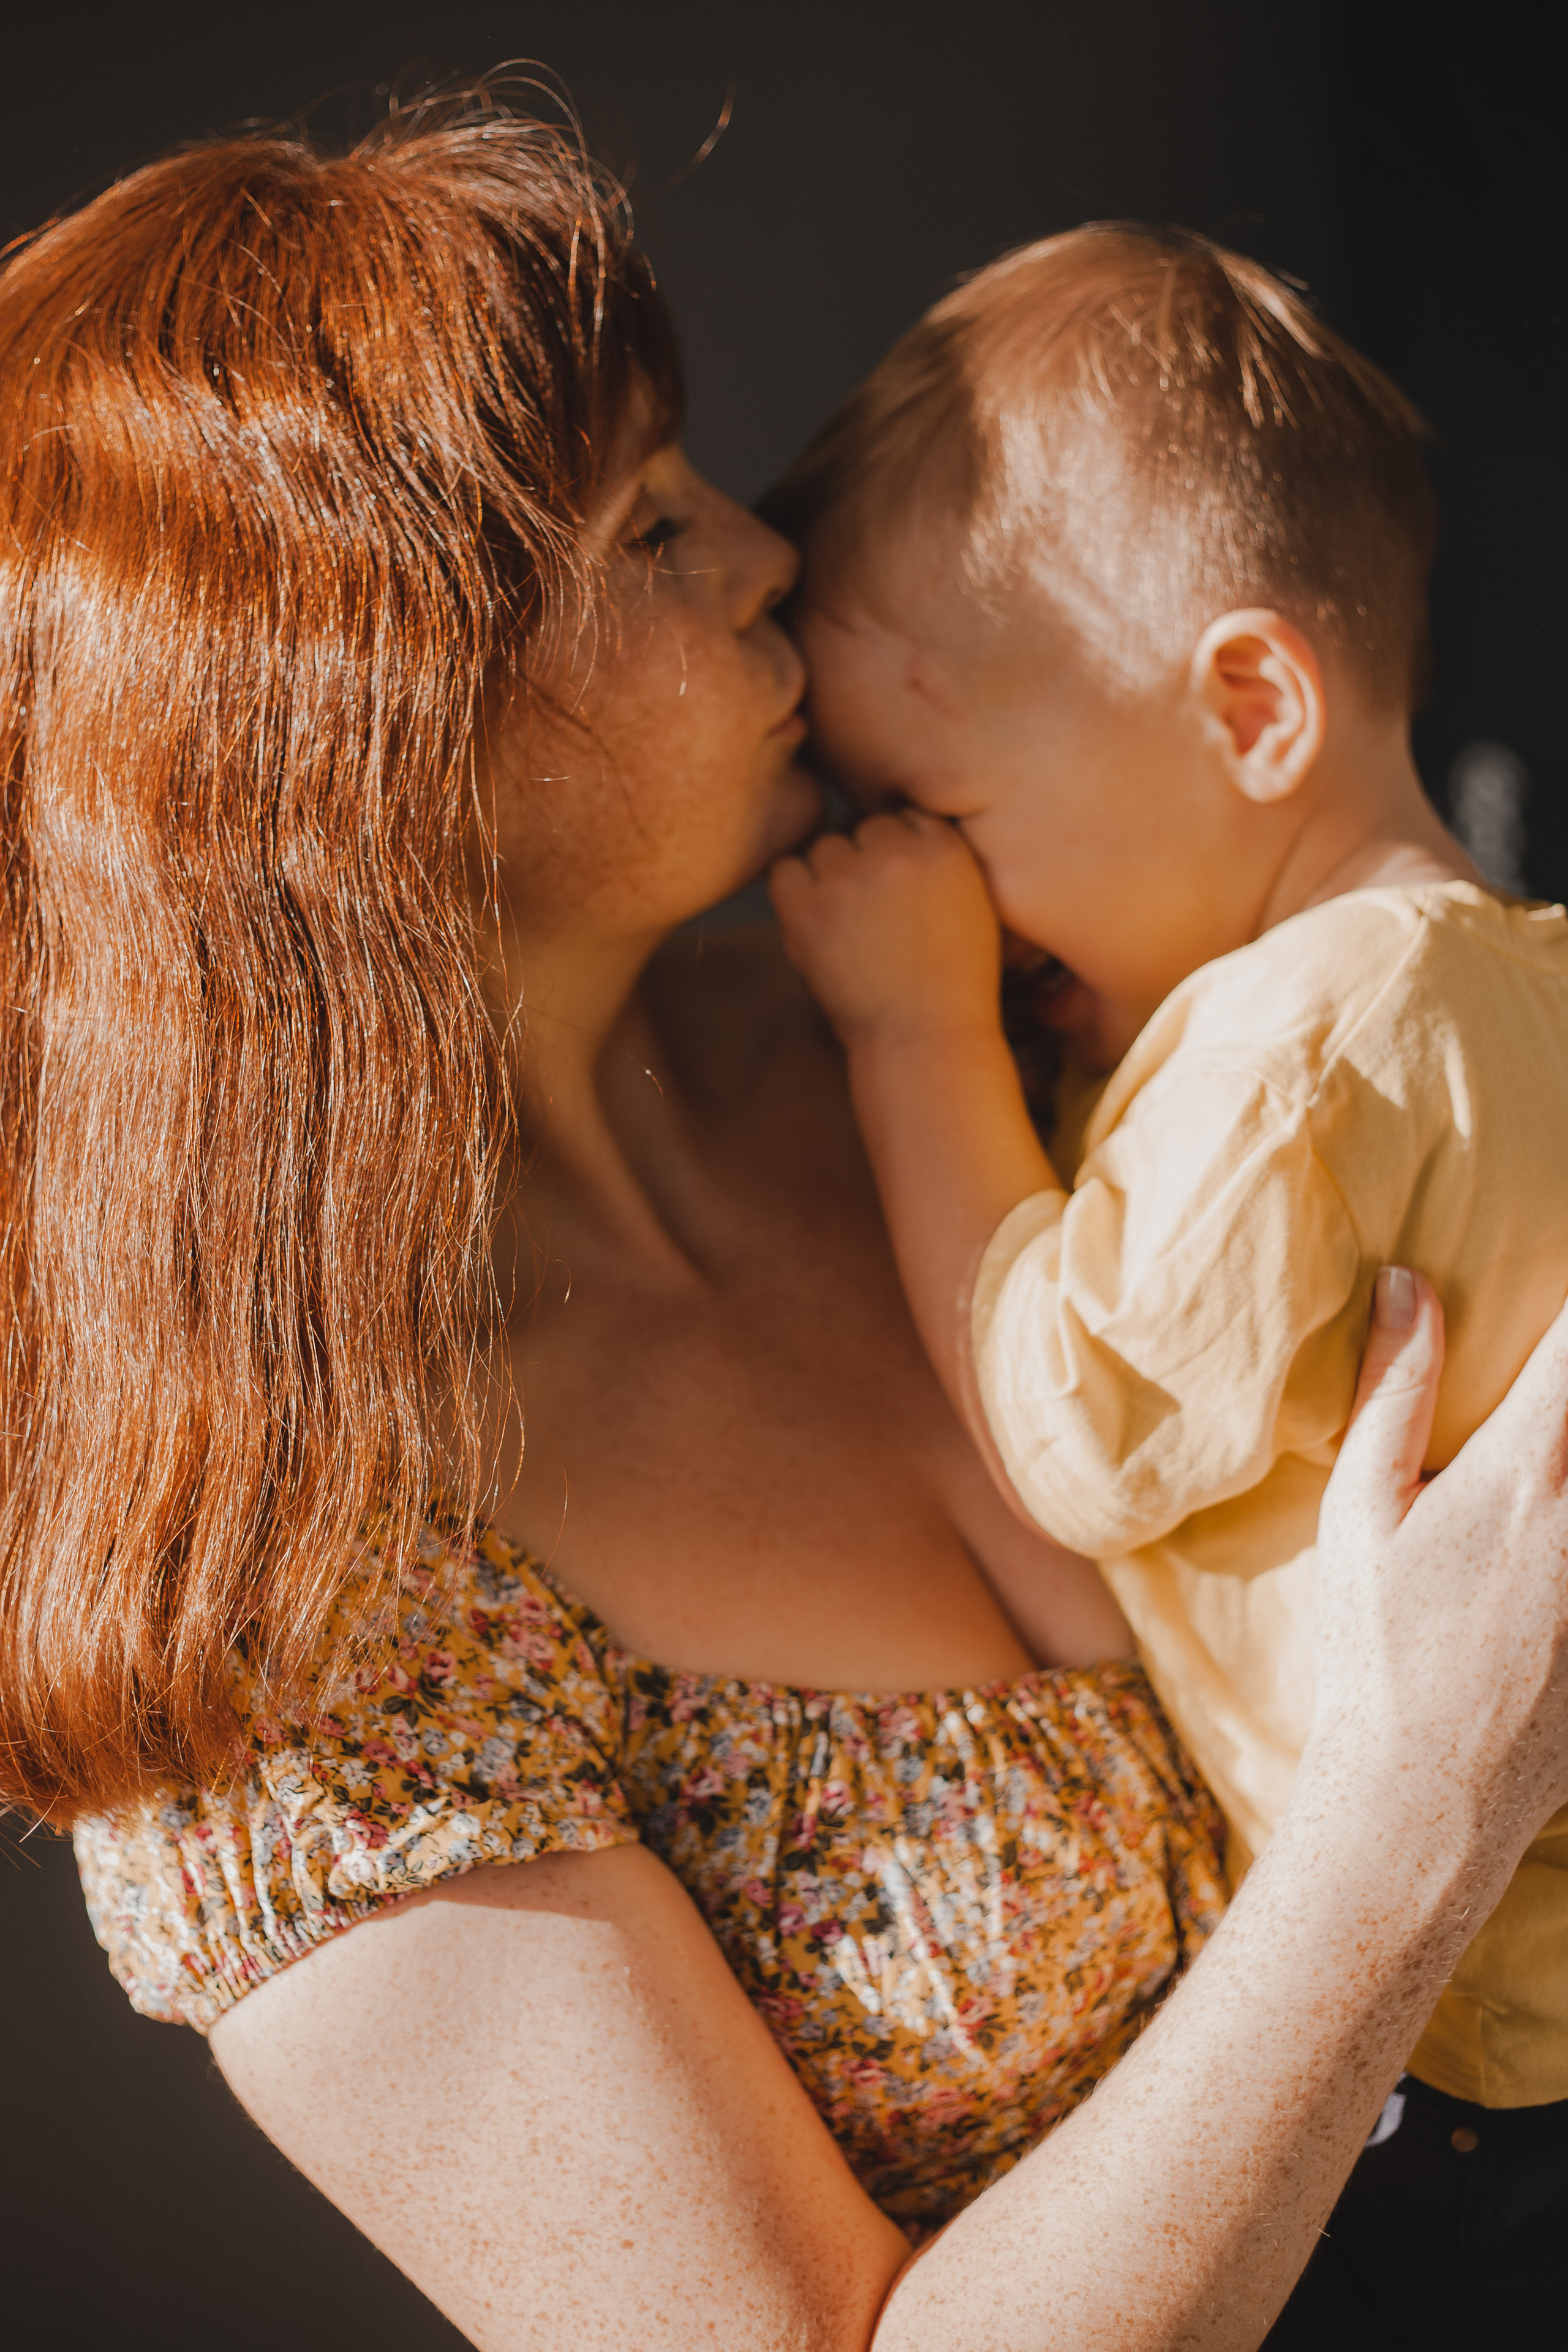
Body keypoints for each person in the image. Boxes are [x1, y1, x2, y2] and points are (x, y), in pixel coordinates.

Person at [2, 99, 1567, 2351]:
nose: (763, 560)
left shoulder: (966, 991)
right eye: (648, 531)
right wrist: (1411, 1835)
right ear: (364, 757)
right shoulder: (310, 1642)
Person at [766, 226, 1568, 2339]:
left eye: (944, 810)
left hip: (1513, 2049)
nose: (932, 879)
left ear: (1250, 703)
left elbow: (1079, 1415)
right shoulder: (1505, 983)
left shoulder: (1285, 1053)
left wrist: (912, 1039)